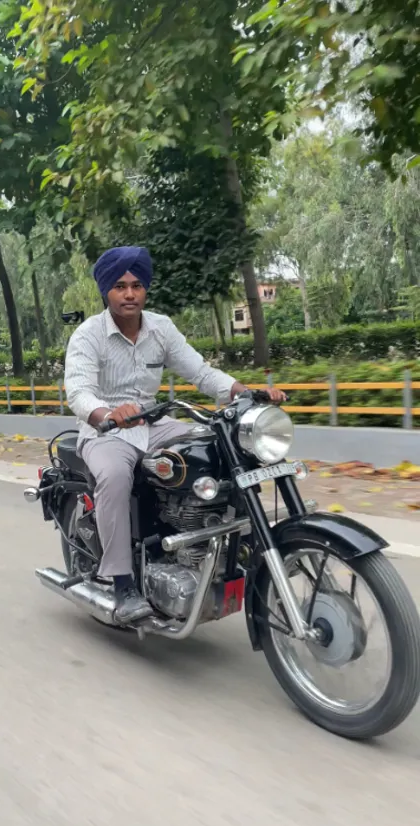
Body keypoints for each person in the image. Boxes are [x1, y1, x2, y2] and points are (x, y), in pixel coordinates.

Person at [64, 246, 285, 625]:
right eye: (119, 286)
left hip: (152, 424)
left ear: (145, 289)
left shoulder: (160, 328)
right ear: (107, 292)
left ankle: (242, 541)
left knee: (218, 446)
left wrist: (243, 392)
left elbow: (200, 372)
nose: (129, 293)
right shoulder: (89, 335)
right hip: (104, 431)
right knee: (115, 476)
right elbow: (78, 391)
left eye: (136, 285)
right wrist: (108, 413)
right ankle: (122, 584)